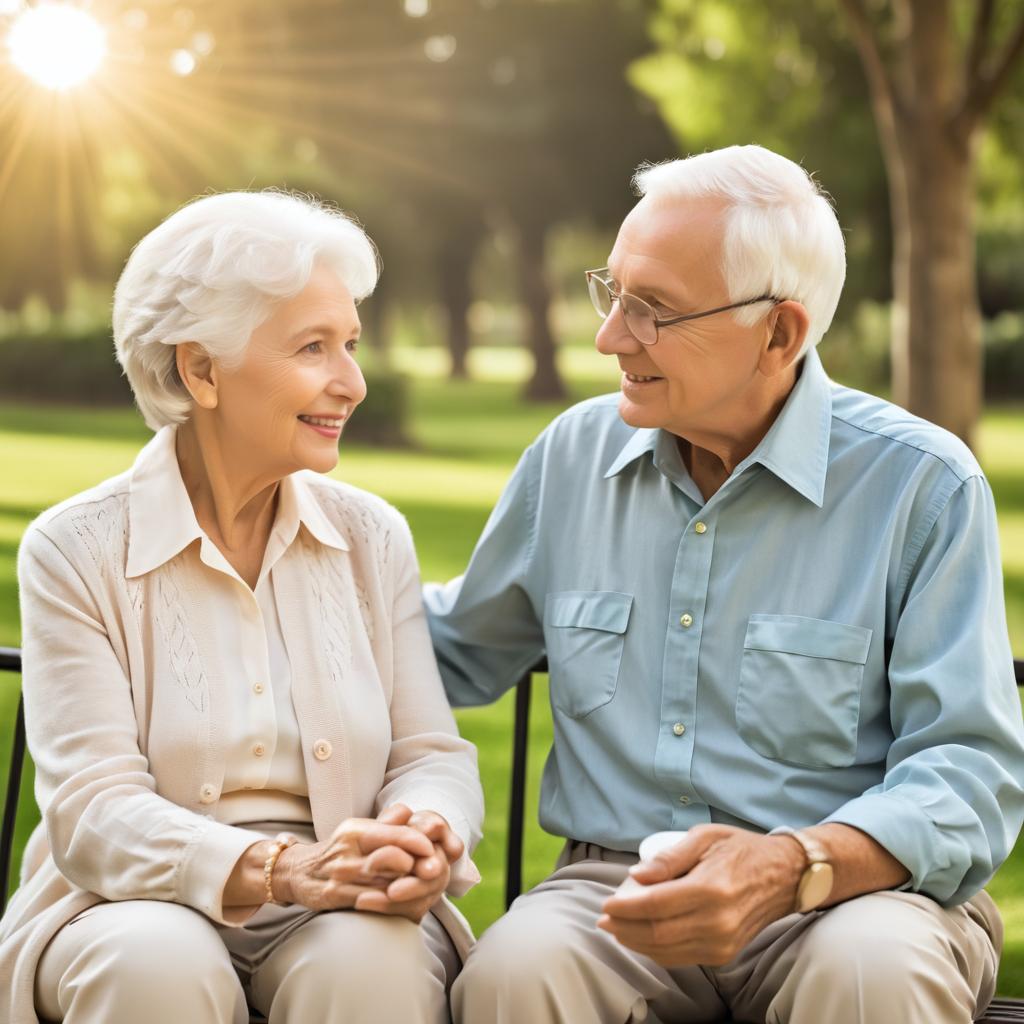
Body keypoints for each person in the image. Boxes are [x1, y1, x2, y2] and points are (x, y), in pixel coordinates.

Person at [425, 145, 1024, 1024]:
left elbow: (968, 769)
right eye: (613, 292)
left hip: (851, 896)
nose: (609, 336)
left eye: (653, 309)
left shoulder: (921, 484)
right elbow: (450, 648)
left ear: (779, 332)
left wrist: (796, 865)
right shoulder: (571, 457)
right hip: (614, 890)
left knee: (873, 974)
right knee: (517, 973)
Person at [0, 190, 484, 1024]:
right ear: (200, 369)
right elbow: (92, 812)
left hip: (339, 901)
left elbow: (430, 751)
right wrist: (280, 868)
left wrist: (424, 831)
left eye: (351, 345)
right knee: (157, 965)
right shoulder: (74, 549)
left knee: (372, 963)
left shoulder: (373, 537)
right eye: (313, 348)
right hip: (125, 902)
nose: (353, 382)